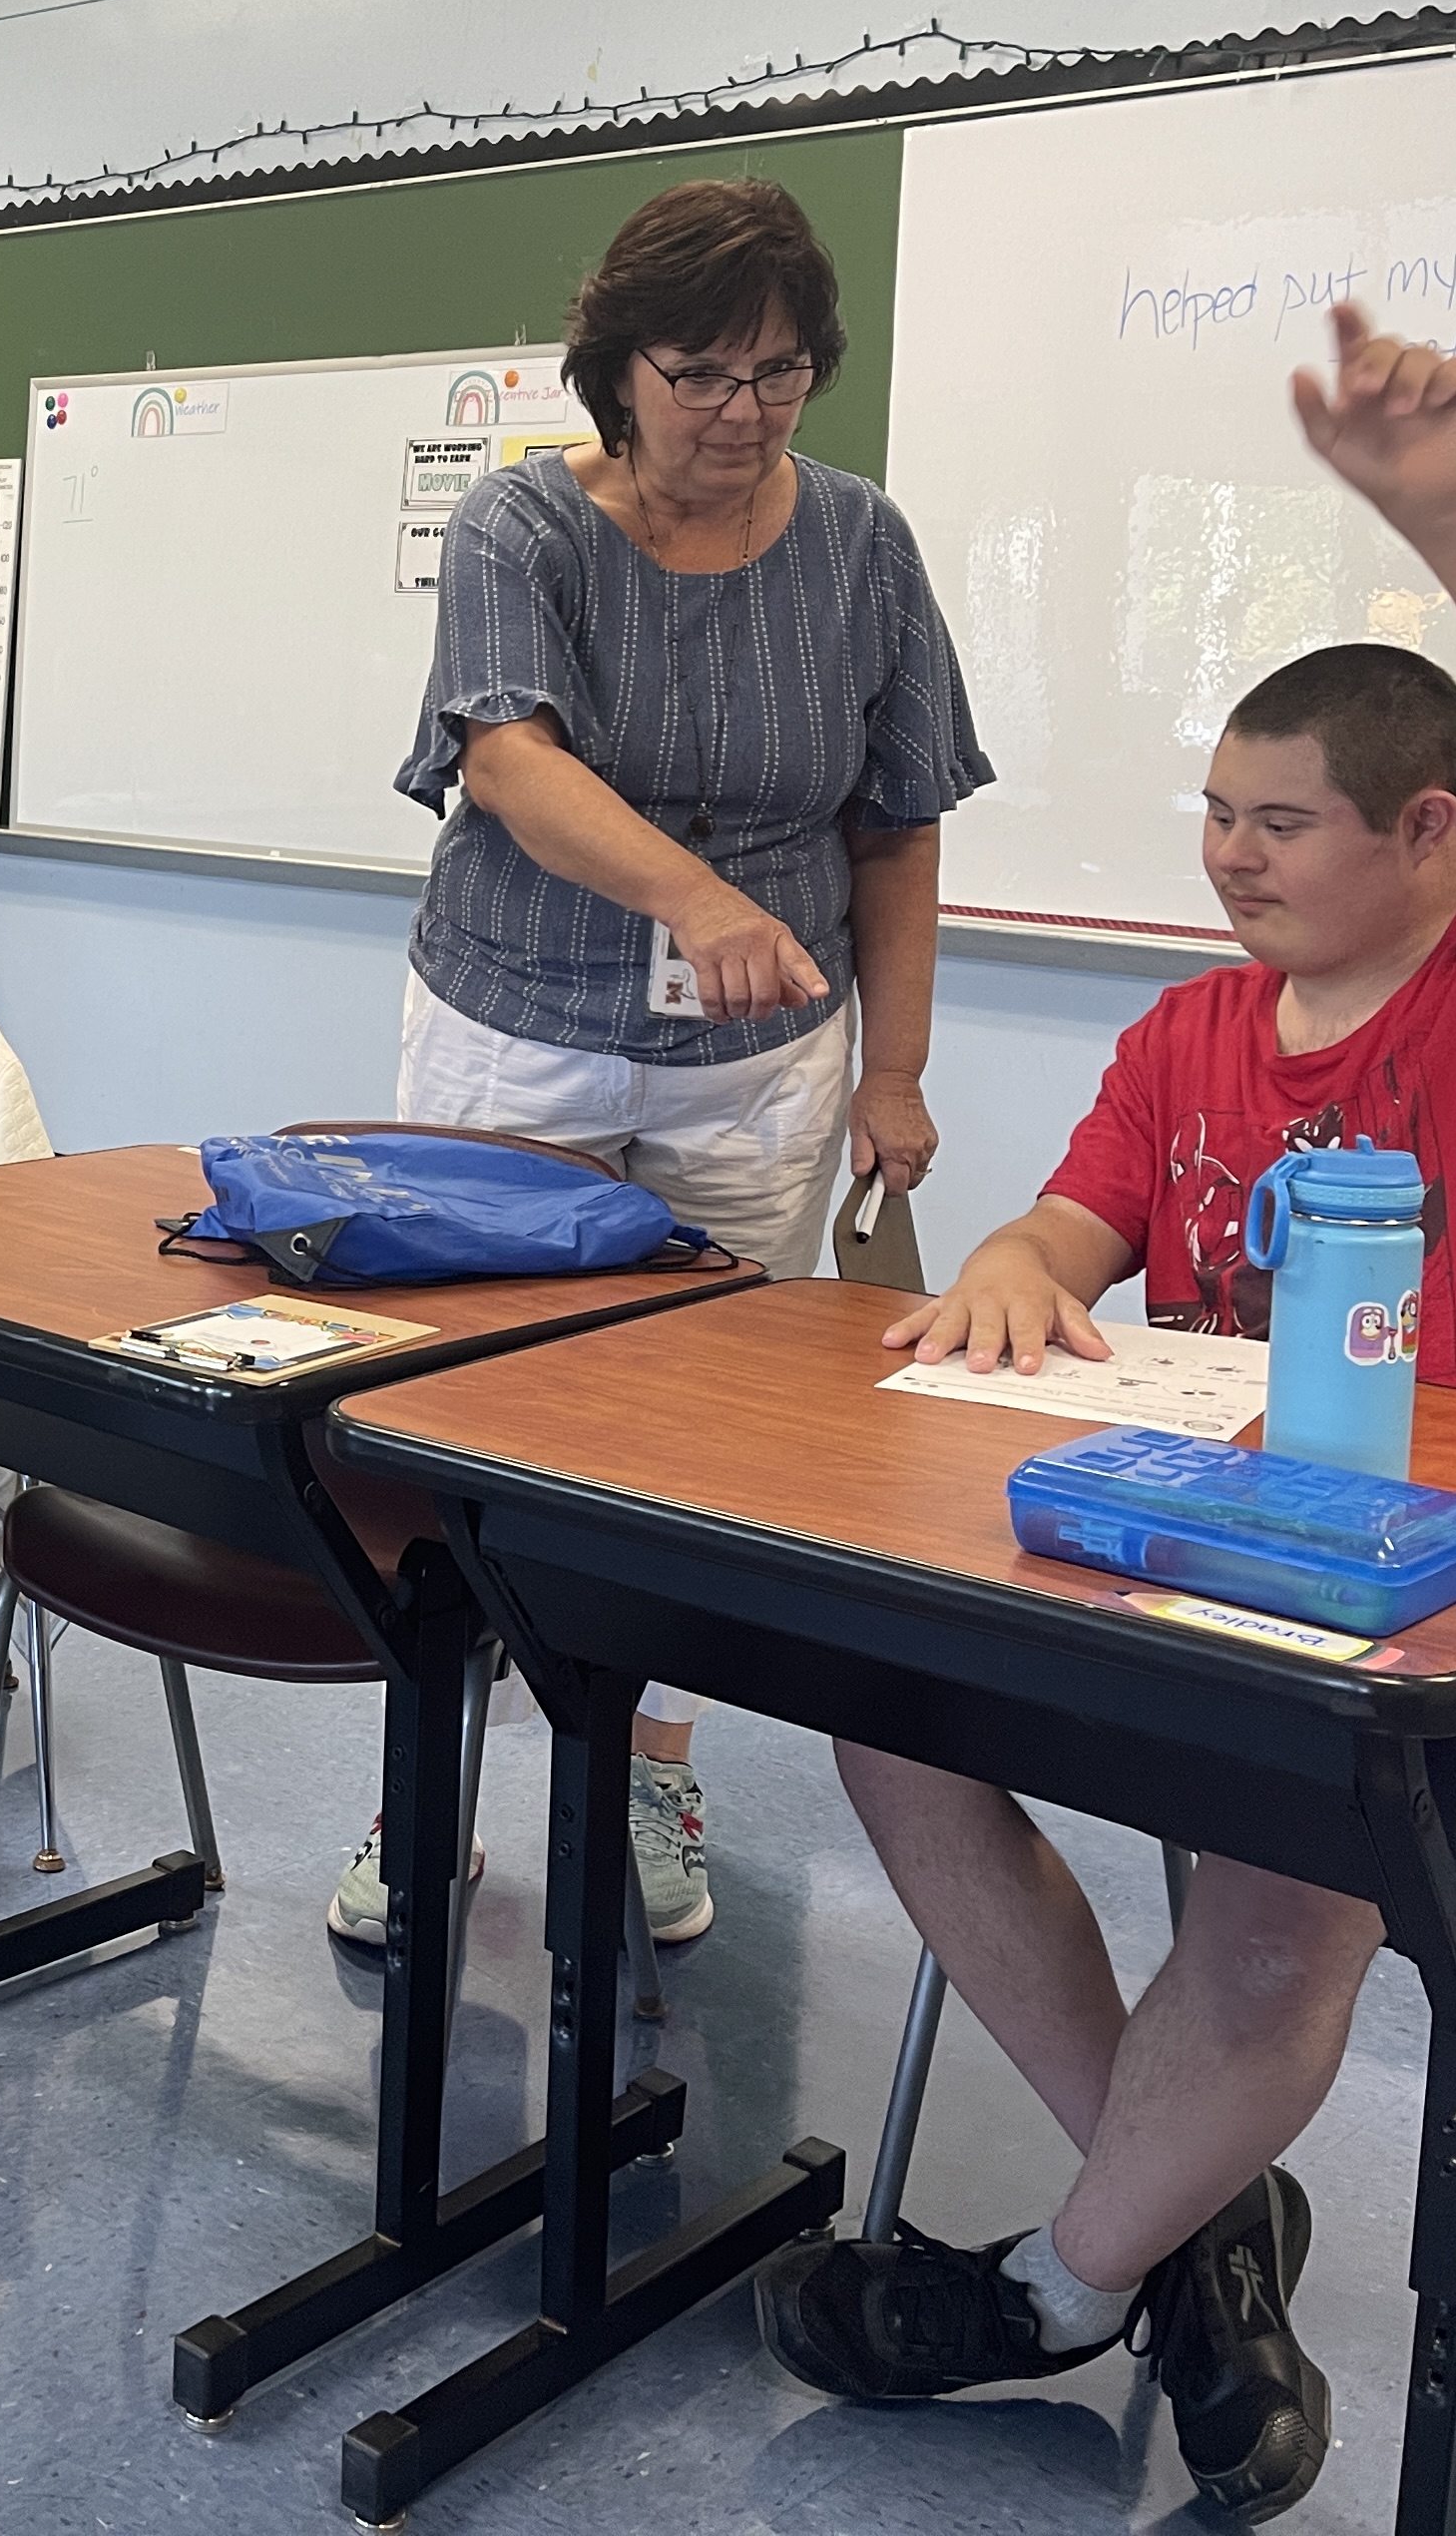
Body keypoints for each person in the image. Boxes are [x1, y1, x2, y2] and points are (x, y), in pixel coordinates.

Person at [752, 302, 1456, 2523]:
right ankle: (1191, 2240)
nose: (1229, 856)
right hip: (1226, 1600)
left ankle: (1064, 2284)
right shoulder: (1195, 1032)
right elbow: (1065, 1235)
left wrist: (1442, 512)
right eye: (1211, 813)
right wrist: (1010, 1266)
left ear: (1432, 829)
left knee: (1291, 1879)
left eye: (1278, 823)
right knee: (888, 1718)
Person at [329, 175, 995, 1955]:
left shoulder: (862, 544)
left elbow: (900, 824)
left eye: (780, 374)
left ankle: (648, 1768)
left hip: (760, 1071)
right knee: (470, 1407)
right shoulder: (519, 528)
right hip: (512, 1033)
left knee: (691, 1437)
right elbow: (512, 766)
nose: (742, 413)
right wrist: (696, 898)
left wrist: (898, 1071)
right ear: (616, 372)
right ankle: (425, 1782)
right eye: (703, 373)